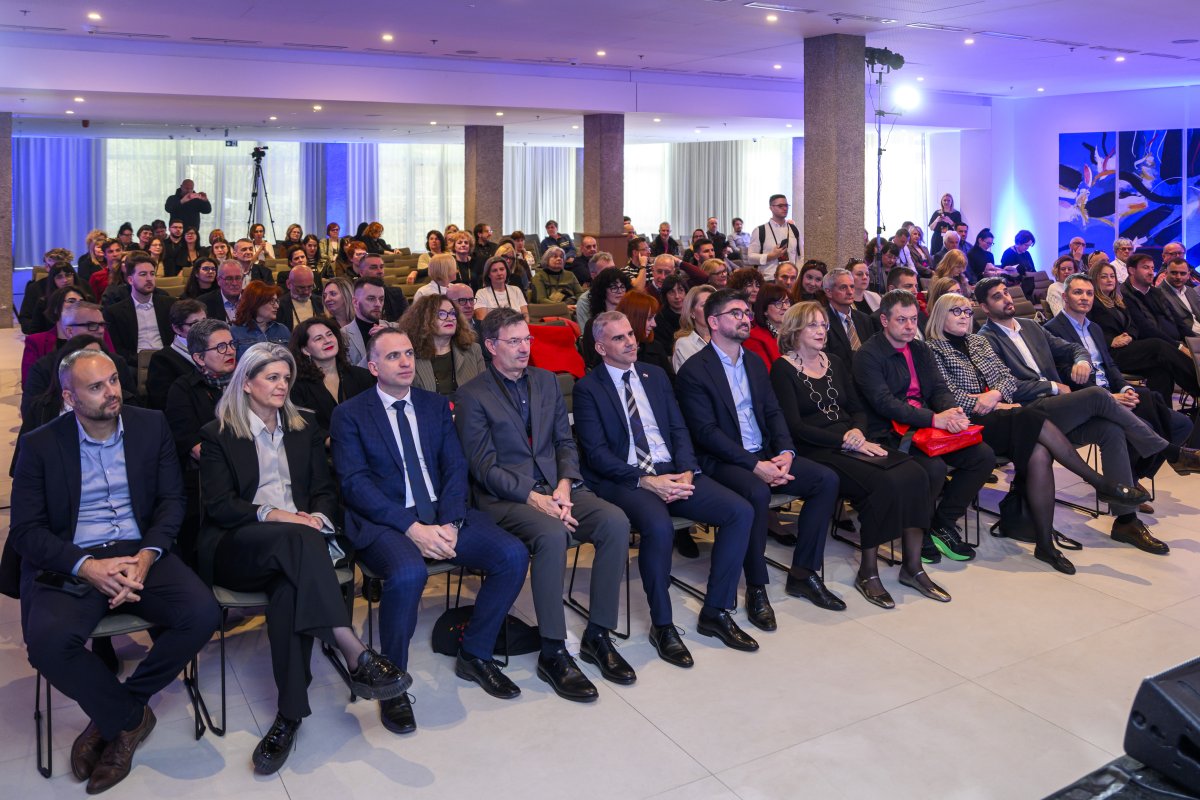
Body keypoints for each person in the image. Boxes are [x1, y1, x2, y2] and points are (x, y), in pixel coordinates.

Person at [8, 348, 218, 794]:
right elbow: (26, 531)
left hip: (139, 549)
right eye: (96, 386)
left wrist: (147, 556)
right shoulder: (41, 444)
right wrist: (87, 567)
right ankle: (127, 719)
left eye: (114, 380)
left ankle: (123, 707)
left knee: (202, 613)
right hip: (74, 555)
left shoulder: (150, 425)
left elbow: (171, 501)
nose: (111, 392)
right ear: (70, 397)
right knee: (47, 644)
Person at [199, 344, 411, 774]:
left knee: (289, 592)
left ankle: (289, 716)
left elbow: (324, 490)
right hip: (239, 545)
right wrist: (279, 515)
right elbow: (220, 506)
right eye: (271, 378)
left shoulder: (303, 426)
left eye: (286, 378)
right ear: (246, 383)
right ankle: (353, 649)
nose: (282, 386)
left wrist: (316, 517)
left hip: (299, 550)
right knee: (297, 540)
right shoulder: (219, 433)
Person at [329, 329, 528, 732]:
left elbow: (454, 466)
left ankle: (475, 653)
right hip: (387, 520)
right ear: (373, 367)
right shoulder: (350, 413)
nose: (405, 362)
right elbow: (355, 485)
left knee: (512, 555)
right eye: (393, 356)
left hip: (442, 512)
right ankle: (392, 680)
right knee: (408, 574)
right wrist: (412, 528)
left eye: (408, 353)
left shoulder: (434, 405)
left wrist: (450, 523)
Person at [455, 308, 632, 703]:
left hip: (558, 488)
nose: (524, 348)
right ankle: (553, 650)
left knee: (615, 522)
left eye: (527, 339)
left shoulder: (547, 381)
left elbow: (565, 443)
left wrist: (565, 485)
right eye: (514, 341)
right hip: (506, 498)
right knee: (552, 535)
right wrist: (535, 498)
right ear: (491, 346)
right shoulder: (472, 395)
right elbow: (483, 467)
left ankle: (598, 634)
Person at [575, 312, 758, 661]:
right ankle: (663, 625)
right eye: (619, 338)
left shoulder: (654, 375)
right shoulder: (589, 388)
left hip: (672, 470)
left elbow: (678, 429)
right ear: (600, 347)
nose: (631, 341)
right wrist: (646, 481)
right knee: (659, 528)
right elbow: (596, 455)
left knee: (740, 512)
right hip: (627, 477)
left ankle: (716, 611)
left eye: (631, 334)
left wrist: (687, 470)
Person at [925, 293, 1150, 574]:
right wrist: (989, 403)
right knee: (1031, 415)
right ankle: (1099, 483)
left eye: (967, 312)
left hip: (1002, 415)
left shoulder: (977, 342)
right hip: (967, 422)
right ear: (940, 315)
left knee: (1039, 451)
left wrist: (995, 395)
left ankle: (1044, 544)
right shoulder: (932, 349)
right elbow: (945, 394)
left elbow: (1007, 379)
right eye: (955, 311)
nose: (963, 316)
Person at [976, 277, 1185, 555]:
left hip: (1056, 410)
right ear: (984, 307)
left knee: (1111, 430)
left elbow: (1073, 347)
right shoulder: (984, 340)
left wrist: (1082, 360)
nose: (1006, 299)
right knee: (1097, 395)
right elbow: (1006, 385)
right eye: (997, 297)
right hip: (1027, 414)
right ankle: (1171, 452)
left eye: (1006, 293)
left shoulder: (1030, 326)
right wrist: (1052, 386)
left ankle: (1126, 522)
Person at [676, 289, 843, 625]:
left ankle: (803, 572)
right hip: (722, 461)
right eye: (735, 313)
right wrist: (755, 466)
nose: (745, 318)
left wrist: (785, 452)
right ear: (713, 322)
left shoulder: (753, 361)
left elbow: (772, 411)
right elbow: (706, 433)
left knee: (825, 480)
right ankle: (756, 586)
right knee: (756, 491)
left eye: (746, 312)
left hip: (764, 453)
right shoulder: (695, 370)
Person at [771, 302, 944, 605]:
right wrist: (845, 441)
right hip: (816, 448)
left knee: (917, 473)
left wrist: (858, 432)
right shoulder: (782, 369)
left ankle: (913, 567)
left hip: (852, 439)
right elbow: (795, 427)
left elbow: (857, 408)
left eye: (824, 325)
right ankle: (868, 572)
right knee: (882, 484)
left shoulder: (835, 362)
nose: (821, 331)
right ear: (795, 330)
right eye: (813, 325)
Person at [852, 290, 994, 565]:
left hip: (927, 428)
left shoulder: (919, 348)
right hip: (890, 433)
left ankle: (943, 522)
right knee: (933, 468)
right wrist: (934, 419)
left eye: (913, 319)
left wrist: (951, 411)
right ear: (884, 320)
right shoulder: (868, 355)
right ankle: (919, 530)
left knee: (983, 456)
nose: (909, 326)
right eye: (901, 320)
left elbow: (939, 388)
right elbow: (884, 403)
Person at [1047, 273, 1195, 487]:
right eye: (1078, 292)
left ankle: (1135, 474)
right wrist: (1109, 397)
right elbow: (1065, 375)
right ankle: (1129, 481)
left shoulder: (1094, 328)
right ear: (1065, 296)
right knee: (1147, 422)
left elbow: (1110, 366)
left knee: (1182, 424)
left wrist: (1125, 388)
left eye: (1089, 293)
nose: (1085, 298)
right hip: (1087, 400)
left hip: (1114, 393)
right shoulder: (1052, 330)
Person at [1086, 261, 1200, 404]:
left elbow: (1133, 326)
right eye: (1104, 277)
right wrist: (1111, 340)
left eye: (1112, 276)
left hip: (1128, 346)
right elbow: (1088, 330)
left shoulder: (1118, 300)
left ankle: (1163, 413)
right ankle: (1198, 384)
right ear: (1095, 279)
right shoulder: (1091, 302)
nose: (1109, 280)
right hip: (1111, 353)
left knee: (1161, 371)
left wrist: (1130, 336)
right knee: (1158, 345)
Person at [166, 319, 235, 469]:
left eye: (231, 344)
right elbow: (195, 447)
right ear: (199, 358)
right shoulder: (183, 390)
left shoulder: (247, 381)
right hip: (213, 469)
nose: (230, 351)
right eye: (221, 347)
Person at [288, 317, 375, 435]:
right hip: (324, 446)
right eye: (318, 338)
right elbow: (304, 428)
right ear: (305, 350)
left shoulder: (362, 375)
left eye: (329, 334)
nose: (327, 340)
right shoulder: (297, 386)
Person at [397, 294, 486, 399]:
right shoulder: (410, 356)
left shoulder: (473, 350)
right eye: (441, 314)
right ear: (424, 319)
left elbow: (484, 391)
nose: (450, 318)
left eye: (452, 313)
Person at [103, 253, 174, 366]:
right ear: (130, 280)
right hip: (135, 363)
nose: (149, 279)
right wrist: (140, 361)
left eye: (152, 274)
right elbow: (118, 349)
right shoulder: (115, 312)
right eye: (143, 274)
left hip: (167, 360)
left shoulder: (170, 304)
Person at [20, 285, 100, 382]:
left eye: (82, 302)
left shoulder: (97, 333)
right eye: (71, 301)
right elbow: (28, 382)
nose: (78, 305)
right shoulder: (36, 341)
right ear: (55, 308)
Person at [145, 299, 205, 410]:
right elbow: (163, 402)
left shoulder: (215, 349)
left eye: (205, 321)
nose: (203, 329)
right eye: (195, 324)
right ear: (177, 329)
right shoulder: (162, 359)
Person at [1123, 252, 1192, 345]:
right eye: (1146, 267)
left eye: (1152, 268)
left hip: (1178, 342)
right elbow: (1146, 329)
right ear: (1132, 270)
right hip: (1158, 346)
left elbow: (1179, 322)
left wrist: (1194, 342)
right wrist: (1179, 347)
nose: (1151, 272)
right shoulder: (1124, 295)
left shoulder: (1157, 292)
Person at [823, 268, 878, 366]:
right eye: (843, 287)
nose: (850, 292)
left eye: (852, 286)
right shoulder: (822, 321)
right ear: (829, 292)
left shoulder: (865, 319)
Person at [579, 268, 633, 368]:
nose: (620, 291)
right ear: (603, 291)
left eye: (622, 287)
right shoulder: (593, 324)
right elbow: (592, 359)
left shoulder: (630, 319)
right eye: (614, 287)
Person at [616, 290, 674, 379]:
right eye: (649, 318)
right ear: (634, 318)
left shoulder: (656, 348)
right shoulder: (612, 351)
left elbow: (669, 381)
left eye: (654, 318)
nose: (654, 324)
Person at [747, 194, 800, 281]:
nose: (785, 208)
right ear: (771, 208)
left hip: (791, 280)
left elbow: (800, 256)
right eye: (780, 206)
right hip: (769, 279)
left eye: (786, 205)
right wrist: (770, 256)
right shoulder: (760, 230)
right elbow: (750, 258)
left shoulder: (794, 229)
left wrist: (798, 277)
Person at [230, 280, 290, 358]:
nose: (277, 306)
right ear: (256, 303)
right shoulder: (235, 331)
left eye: (276, 301)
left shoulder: (282, 330)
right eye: (272, 301)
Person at [320, 276, 365, 366]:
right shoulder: (324, 326)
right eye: (325, 296)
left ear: (347, 295)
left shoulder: (363, 321)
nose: (327, 299)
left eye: (333, 294)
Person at [744, 283, 788, 370]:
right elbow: (764, 373)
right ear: (765, 310)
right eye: (778, 303)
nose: (785, 307)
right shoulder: (753, 338)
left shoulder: (795, 333)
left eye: (786, 302)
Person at [673, 284, 715, 373]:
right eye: (704, 305)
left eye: (714, 304)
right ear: (692, 312)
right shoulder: (685, 344)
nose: (711, 309)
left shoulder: (727, 338)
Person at [355, 253, 408, 321]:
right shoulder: (354, 295)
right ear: (361, 273)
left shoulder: (396, 293)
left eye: (381, 267)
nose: (380, 271)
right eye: (373, 267)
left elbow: (407, 319)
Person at [475, 255, 529, 320]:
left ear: (506, 271)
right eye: (494, 270)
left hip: (518, 326)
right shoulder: (481, 293)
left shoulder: (516, 290)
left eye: (502, 269)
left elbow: (525, 317)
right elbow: (482, 320)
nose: (499, 273)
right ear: (488, 274)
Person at [1158, 256, 1200, 335]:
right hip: (1188, 336)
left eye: (1183, 273)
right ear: (1166, 273)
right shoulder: (1158, 294)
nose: (1178, 277)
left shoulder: (1190, 290)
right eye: (1174, 273)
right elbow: (1171, 327)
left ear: (1188, 275)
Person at [277, 264, 323, 330]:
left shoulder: (321, 302)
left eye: (310, 287)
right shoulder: (278, 306)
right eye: (301, 288)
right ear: (289, 284)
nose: (307, 292)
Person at [999, 230, 1038, 297]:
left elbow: (1033, 270)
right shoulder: (1009, 253)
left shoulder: (1027, 254)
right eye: (1026, 245)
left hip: (1028, 286)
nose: (1027, 248)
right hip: (1014, 288)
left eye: (1029, 245)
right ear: (1019, 242)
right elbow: (1005, 274)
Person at [654, 274, 688, 343]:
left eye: (680, 290)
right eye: (671, 292)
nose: (677, 296)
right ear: (665, 296)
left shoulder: (694, 314)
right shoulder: (659, 320)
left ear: (686, 292)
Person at [90, 239, 125, 303]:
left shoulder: (129, 273)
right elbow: (93, 301)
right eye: (110, 251)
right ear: (104, 254)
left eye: (118, 250)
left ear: (123, 251)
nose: (115, 254)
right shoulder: (97, 276)